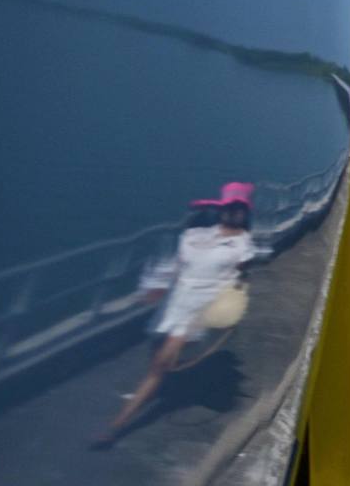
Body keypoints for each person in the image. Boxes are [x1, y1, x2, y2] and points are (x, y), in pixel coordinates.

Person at [94, 182, 257, 447]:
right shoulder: (197, 234)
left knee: (160, 364)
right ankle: (164, 386)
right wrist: (155, 288)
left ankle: (116, 427)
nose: (234, 212)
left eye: (239, 208)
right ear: (222, 209)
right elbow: (176, 265)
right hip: (174, 303)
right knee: (158, 359)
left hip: (200, 309)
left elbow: (242, 278)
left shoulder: (243, 245)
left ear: (245, 213)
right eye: (230, 207)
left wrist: (234, 302)